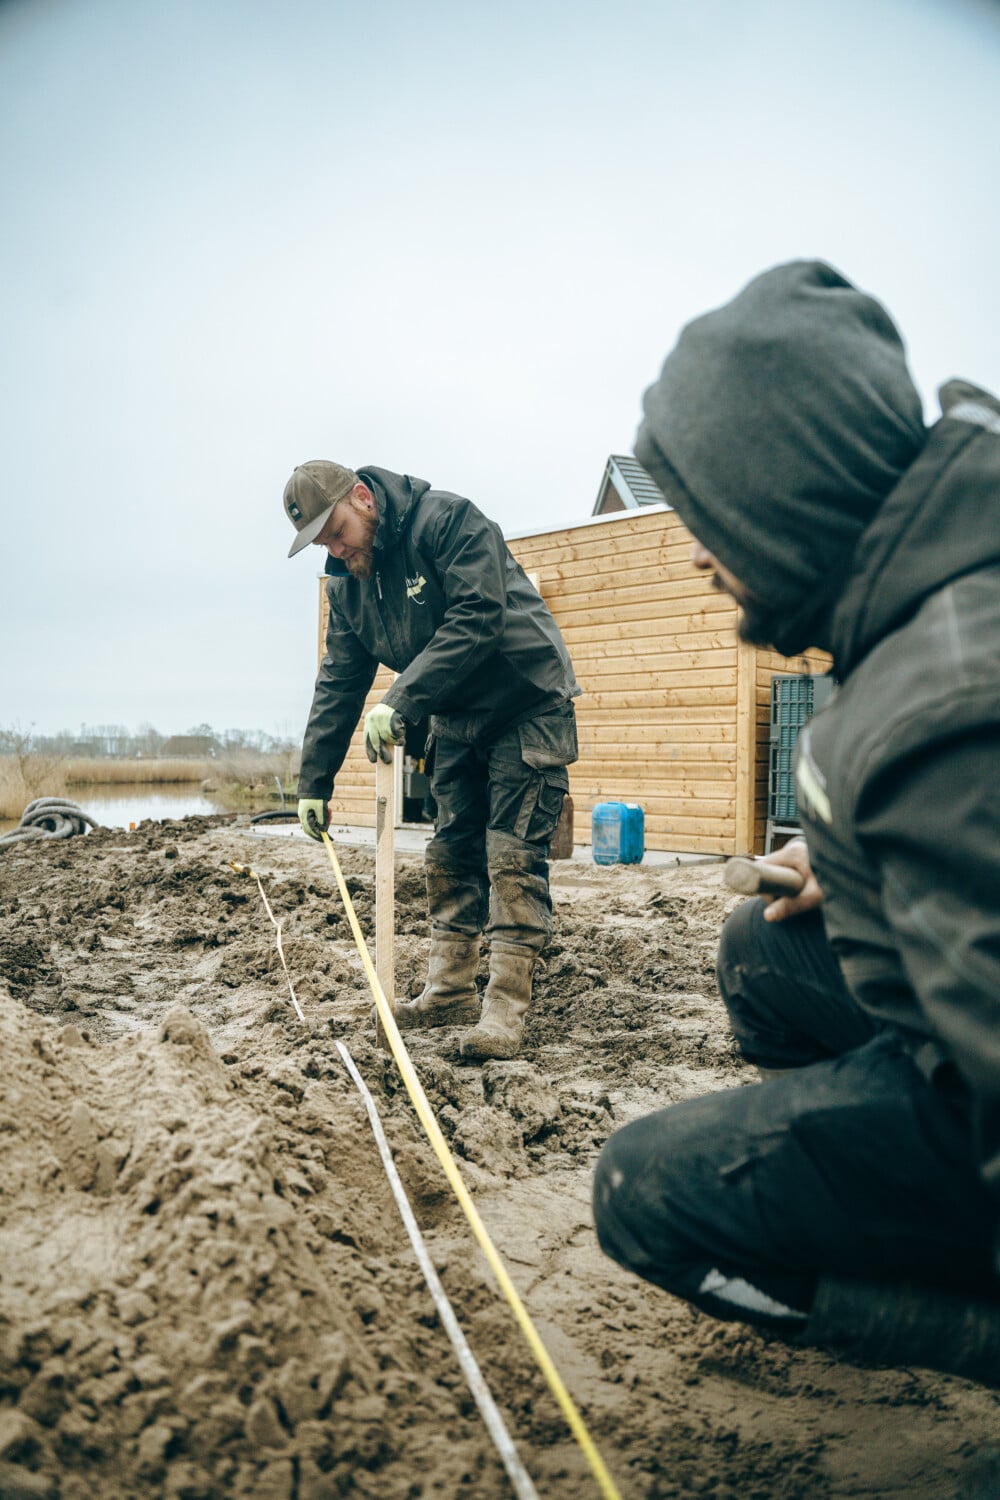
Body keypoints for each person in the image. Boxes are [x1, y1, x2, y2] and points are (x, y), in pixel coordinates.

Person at [592, 260, 1000, 1384]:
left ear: (784, 494)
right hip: (946, 1021)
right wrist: (854, 859)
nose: (690, 550)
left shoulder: (944, 713)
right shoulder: (939, 586)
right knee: (759, 953)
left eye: (706, 512)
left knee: (642, 1195)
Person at [283, 460, 580, 1061]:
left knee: (512, 855)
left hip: (525, 699)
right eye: (322, 543)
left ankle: (503, 1007)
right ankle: (449, 990)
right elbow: (339, 680)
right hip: (455, 716)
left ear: (362, 499)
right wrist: (313, 782)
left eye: (336, 531)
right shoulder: (348, 584)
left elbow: (479, 618)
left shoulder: (448, 523)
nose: (334, 550)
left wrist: (401, 700)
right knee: (450, 852)